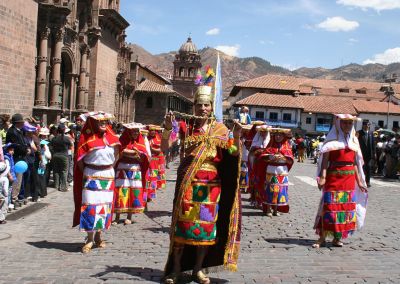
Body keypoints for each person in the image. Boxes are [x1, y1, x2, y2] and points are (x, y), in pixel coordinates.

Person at [162, 85, 242, 284]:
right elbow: (165, 147)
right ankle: (176, 268)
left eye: (207, 105)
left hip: (211, 188)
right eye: (199, 105)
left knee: (206, 228)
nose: (203, 108)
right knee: (183, 225)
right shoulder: (185, 126)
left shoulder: (221, 129)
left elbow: (233, 153)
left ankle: (198, 269)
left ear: (211, 107)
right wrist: (165, 129)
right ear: (194, 106)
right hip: (188, 183)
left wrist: (238, 136)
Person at [313, 114, 367, 248]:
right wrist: (323, 177)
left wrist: (359, 181)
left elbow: (355, 163)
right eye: (345, 123)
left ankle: (337, 238)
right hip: (333, 177)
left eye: (350, 123)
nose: (347, 125)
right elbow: (325, 161)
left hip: (348, 179)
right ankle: (322, 237)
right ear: (339, 123)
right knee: (329, 207)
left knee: (344, 209)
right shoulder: (331, 141)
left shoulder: (354, 141)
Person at [72, 112, 120, 254]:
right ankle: (90, 238)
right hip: (91, 175)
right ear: (93, 123)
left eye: (105, 121)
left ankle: (99, 235)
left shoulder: (113, 139)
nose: (103, 124)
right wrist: (89, 170)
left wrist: (108, 167)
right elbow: (79, 161)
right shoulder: (86, 139)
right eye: (100, 122)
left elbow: (116, 156)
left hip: (107, 175)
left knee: (104, 206)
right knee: (90, 206)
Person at [113, 123, 150, 225]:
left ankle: (129, 216)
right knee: (121, 190)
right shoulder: (123, 140)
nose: (135, 133)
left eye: (137, 131)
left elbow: (143, 156)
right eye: (133, 131)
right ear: (129, 132)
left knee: (133, 191)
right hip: (122, 169)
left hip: (135, 170)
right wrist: (133, 153)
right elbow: (120, 151)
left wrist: (136, 153)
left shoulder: (140, 142)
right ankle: (117, 216)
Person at [256, 128, 294, 217]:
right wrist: (270, 157)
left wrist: (283, 159)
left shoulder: (287, 147)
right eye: (276, 135)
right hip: (271, 170)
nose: (278, 137)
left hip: (282, 171)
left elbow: (290, 160)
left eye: (280, 135)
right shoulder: (270, 147)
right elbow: (262, 158)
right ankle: (268, 208)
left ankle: (276, 209)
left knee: (280, 191)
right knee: (270, 190)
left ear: (283, 137)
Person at [6, 114, 29, 205]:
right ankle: (14, 198)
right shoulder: (13, 132)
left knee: (20, 179)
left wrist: (26, 147)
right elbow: (16, 145)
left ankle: (17, 197)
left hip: (21, 158)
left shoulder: (19, 131)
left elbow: (23, 142)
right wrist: (25, 150)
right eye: (22, 122)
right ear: (18, 123)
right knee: (17, 179)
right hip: (17, 158)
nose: (23, 123)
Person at [51, 124, 72, 192]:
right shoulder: (66, 138)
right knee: (64, 171)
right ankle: (63, 187)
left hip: (55, 155)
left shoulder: (54, 138)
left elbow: (51, 147)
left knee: (56, 171)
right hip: (64, 156)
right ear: (64, 130)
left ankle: (56, 185)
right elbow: (70, 146)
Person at [357, 120, 375, 187]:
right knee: (361, 167)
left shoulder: (371, 133)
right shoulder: (359, 133)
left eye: (368, 125)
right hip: (361, 154)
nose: (367, 126)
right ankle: (361, 180)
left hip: (369, 154)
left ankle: (368, 182)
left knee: (368, 167)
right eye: (366, 125)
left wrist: (374, 153)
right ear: (363, 125)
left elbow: (373, 144)